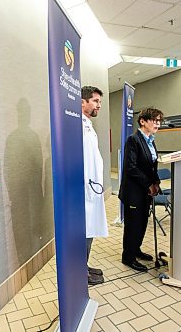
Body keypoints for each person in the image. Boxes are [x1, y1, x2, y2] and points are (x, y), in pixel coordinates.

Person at [118, 108, 164, 272]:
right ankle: (128, 257)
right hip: (133, 191)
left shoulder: (150, 140)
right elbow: (131, 168)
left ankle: (135, 249)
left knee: (142, 222)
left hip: (145, 190)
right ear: (142, 121)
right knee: (133, 225)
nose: (157, 124)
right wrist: (148, 184)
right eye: (154, 120)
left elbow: (151, 165)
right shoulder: (134, 140)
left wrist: (156, 182)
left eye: (159, 121)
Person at [81, 86, 108, 285]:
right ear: (82, 102)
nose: (99, 105)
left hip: (92, 187)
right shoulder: (76, 126)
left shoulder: (87, 124)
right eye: (95, 101)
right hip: (84, 190)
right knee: (85, 230)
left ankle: (85, 265)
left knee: (90, 230)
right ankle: (80, 271)